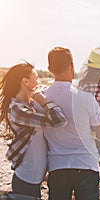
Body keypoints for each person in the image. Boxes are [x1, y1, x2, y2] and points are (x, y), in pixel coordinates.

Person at [41, 46, 100, 200]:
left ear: (50, 69)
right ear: (72, 66)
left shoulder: (41, 98)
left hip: (57, 166)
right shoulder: (85, 98)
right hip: (86, 164)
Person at [0, 62, 68, 198]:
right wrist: (41, 98)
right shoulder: (17, 109)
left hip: (34, 179)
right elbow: (59, 120)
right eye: (35, 78)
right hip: (26, 179)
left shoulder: (29, 105)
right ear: (25, 81)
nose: (38, 82)